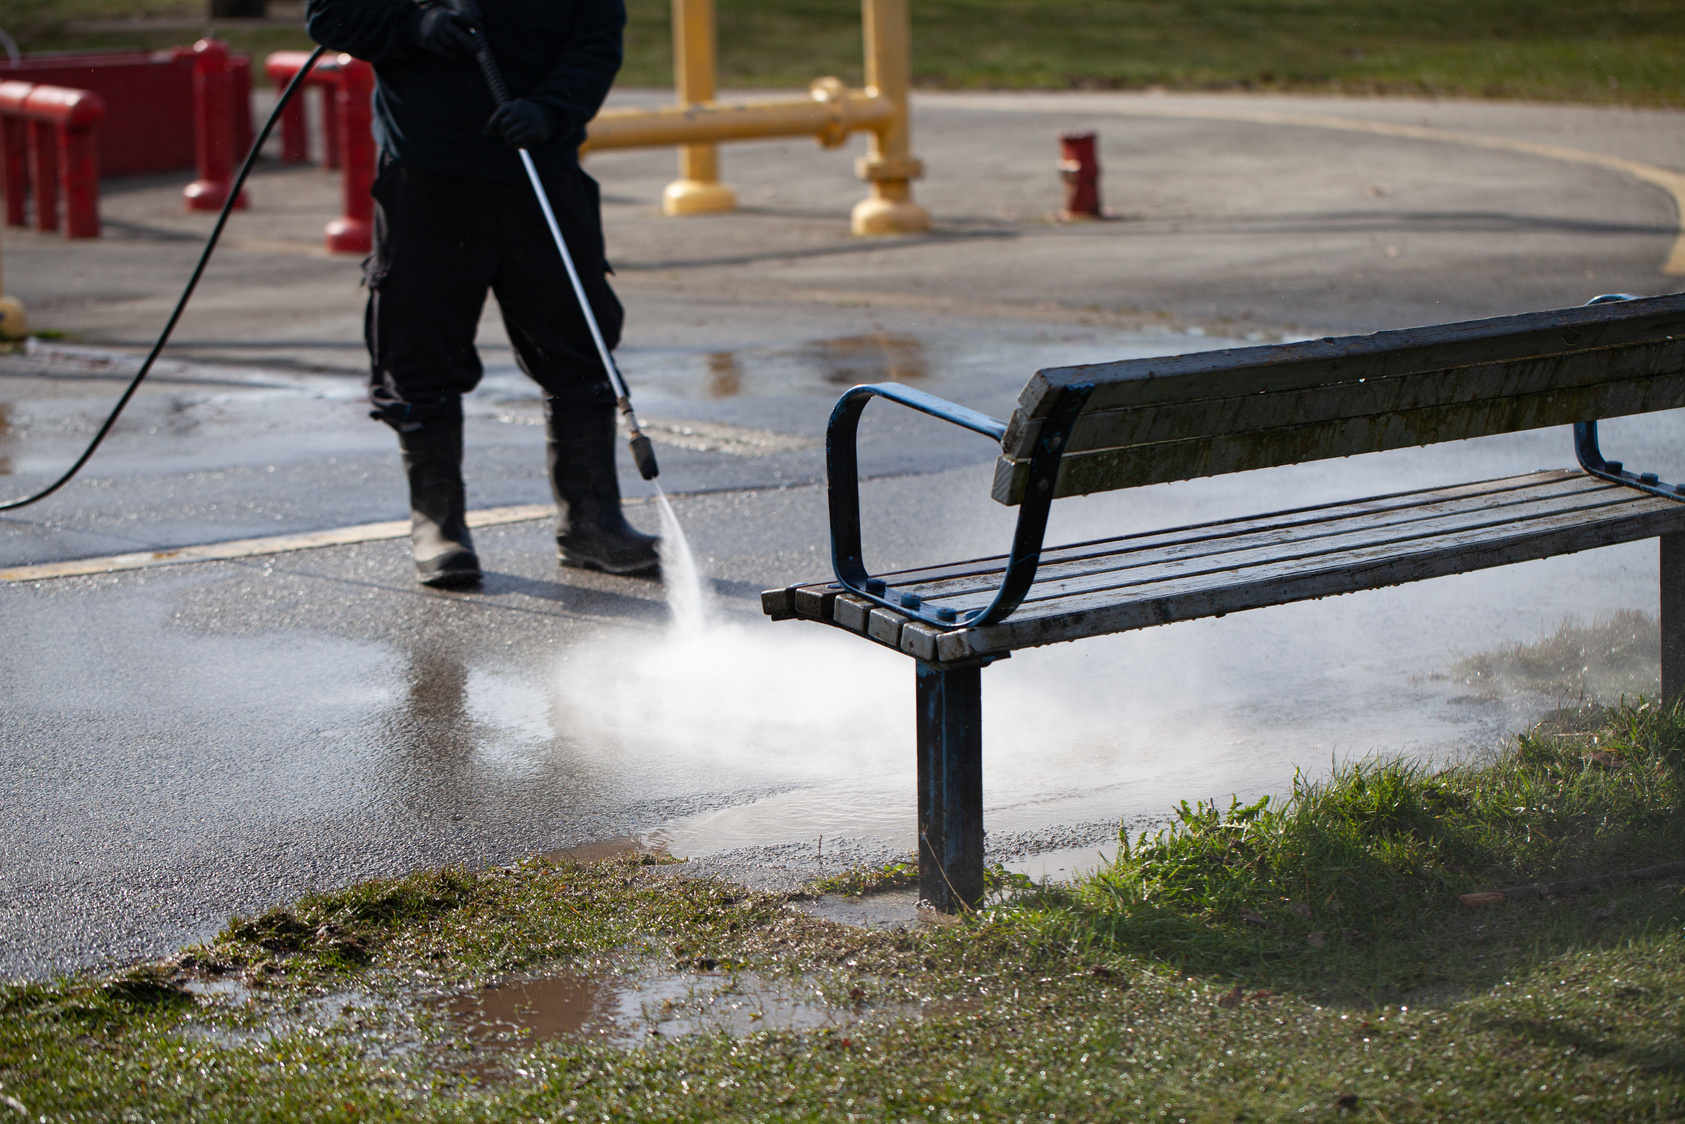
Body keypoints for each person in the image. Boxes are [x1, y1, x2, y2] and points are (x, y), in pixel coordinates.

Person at [304, 0, 658, 586]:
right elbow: (332, 16)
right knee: (420, 350)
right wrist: (415, 25)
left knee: (580, 343)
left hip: (540, 166)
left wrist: (552, 109)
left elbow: (596, 40)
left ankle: (592, 523)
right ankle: (439, 525)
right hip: (428, 171)